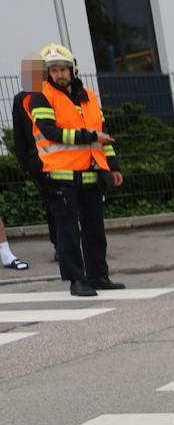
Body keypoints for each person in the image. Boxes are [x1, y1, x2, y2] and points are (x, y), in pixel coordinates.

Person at [27, 43, 124, 297]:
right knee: (68, 230)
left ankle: (98, 276)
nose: (59, 74)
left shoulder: (89, 96)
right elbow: (51, 131)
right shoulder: (40, 95)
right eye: (53, 70)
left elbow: (102, 137)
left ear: (73, 70)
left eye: (63, 69)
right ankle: (76, 280)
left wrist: (113, 166)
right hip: (61, 174)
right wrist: (89, 135)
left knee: (95, 227)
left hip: (92, 172)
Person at [11, 57, 56, 259]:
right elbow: (19, 133)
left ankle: (66, 244)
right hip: (38, 160)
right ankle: (59, 245)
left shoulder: (52, 95)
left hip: (57, 157)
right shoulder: (21, 99)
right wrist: (24, 162)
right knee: (53, 203)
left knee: (62, 203)